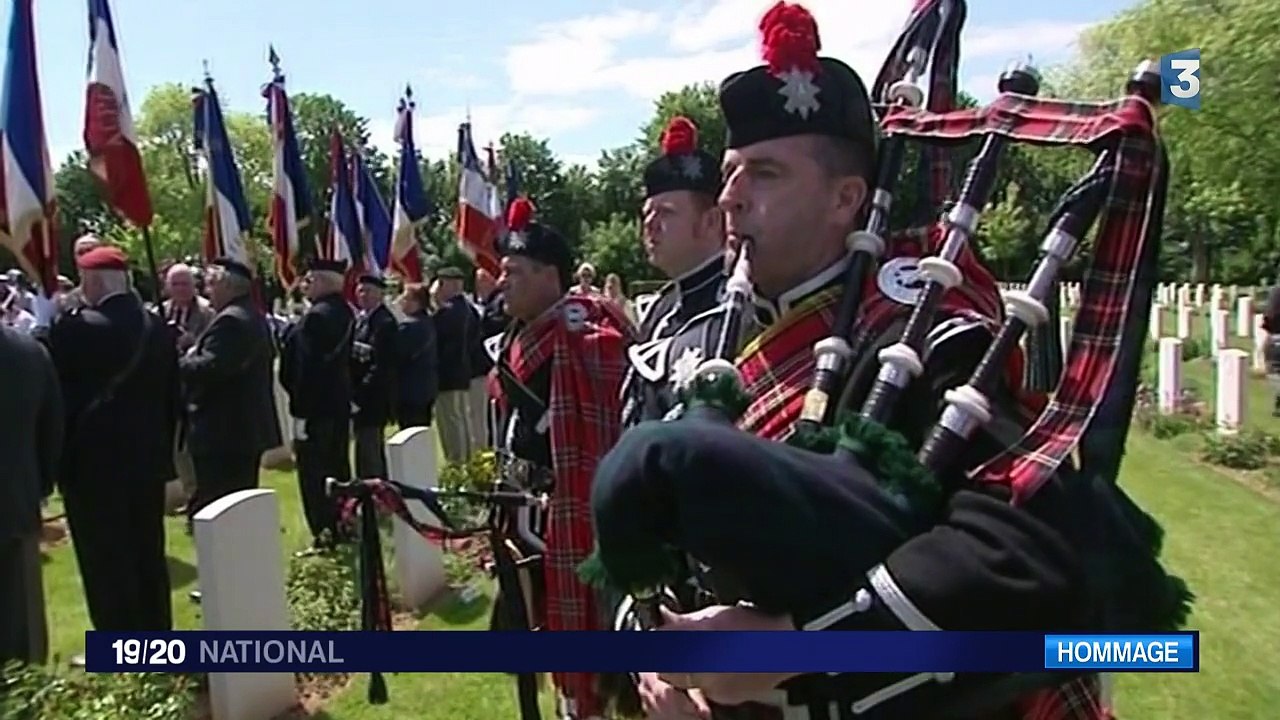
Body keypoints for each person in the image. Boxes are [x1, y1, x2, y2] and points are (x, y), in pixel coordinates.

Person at [589, 5, 1168, 719]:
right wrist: (661, 664)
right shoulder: (703, 340)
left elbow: (1019, 551)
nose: (732, 197)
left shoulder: (929, 340)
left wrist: (803, 652)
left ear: (846, 199)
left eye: (763, 174)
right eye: (732, 173)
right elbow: (645, 540)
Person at [491, 198, 631, 720]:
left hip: (576, 516)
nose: (502, 282)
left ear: (551, 275)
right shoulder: (516, 336)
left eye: (515, 272)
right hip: (527, 519)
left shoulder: (590, 338)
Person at [32, 245, 179, 665]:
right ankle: (157, 639)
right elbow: (173, 397)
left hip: (92, 465)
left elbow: (53, 393)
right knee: (146, 551)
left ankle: (118, 648)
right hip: (148, 460)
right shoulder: (158, 326)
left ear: (93, 282)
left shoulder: (74, 330)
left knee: (105, 559)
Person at [618, 114, 727, 428]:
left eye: (666, 213)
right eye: (646, 213)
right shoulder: (662, 307)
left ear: (711, 221)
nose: (649, 225)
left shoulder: (735, 305)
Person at [178, 258, 281, 526]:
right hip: (239, 430)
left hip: (225, 432)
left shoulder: (231, 321)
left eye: (212, 285)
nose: (207, 291)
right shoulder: (249, 315)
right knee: (238, 502)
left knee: (221, 505)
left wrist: (181, 359)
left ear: (228, 287)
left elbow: (212, 368)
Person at [280, 257, 355, 553]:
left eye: (309, 280)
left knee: (315, 475)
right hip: (337, 405)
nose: (305, 285)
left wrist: (300, 404)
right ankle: (344, 525)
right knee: (337, 468)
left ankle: (324, 535)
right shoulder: (345, 312)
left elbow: (305, 370)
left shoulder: (316, 318)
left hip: (314, 409)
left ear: (323, 282)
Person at [0, 323, 62, 667]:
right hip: (16, 498)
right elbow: (52, 427)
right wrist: (38, 487)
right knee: (20, 617)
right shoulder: (29, 352)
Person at [162, 262, 217, 511]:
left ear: (195, 286)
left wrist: (191, 341)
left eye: (185, 283)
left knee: (195, 448)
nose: (180, 289)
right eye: (175, 284)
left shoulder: (208, 313)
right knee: (177, 449)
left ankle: (200, 495)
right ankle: (189, 491)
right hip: (170, 389)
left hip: (198, 390)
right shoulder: (161, 312)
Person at [350, 274, 399, 479]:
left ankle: (378, 496)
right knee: (362, 450)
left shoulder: (384, 322)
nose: (363, 295)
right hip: (360, 396)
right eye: (360, 290)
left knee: (371, 451)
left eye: (368, 291)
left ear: (380, 294)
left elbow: (382, 366)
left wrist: (360, 396)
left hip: (373, 398)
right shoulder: (362, 320)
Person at [431, 266, 474, 464]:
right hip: (461, 371)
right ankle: (464, 458)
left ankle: (456, 461)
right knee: (459, 419)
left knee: (450, 421)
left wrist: (435, 302)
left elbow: (437, 335)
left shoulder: (449, 311)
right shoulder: (465, 308)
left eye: (442, 283)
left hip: (448, 373)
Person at [394, 282, 439, 428]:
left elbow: (398, 355)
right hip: (426, 387)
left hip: (409, 389)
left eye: (406, 298)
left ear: (417, 303)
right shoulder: (427, 322)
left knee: (410, 430)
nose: (401, 301)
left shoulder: (409, 326)